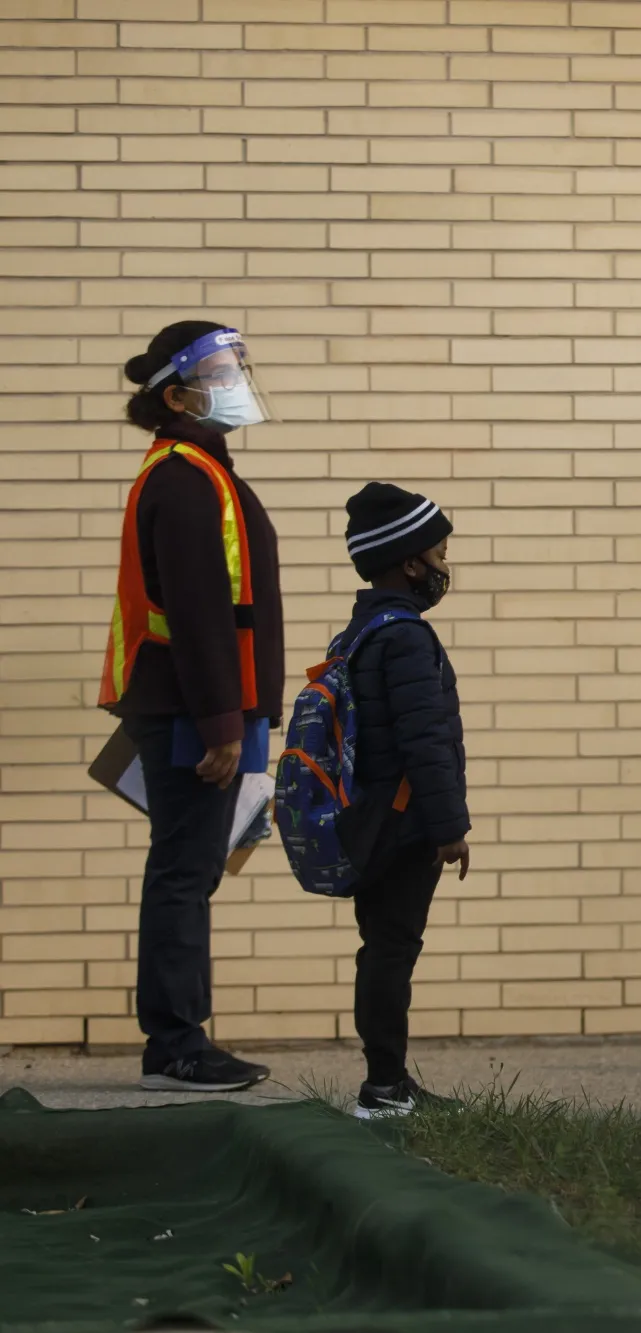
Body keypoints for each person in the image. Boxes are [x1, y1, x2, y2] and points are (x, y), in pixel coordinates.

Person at [104, 321, 285, 1093]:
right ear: (176, 395)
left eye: (238, 365)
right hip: (192, 712)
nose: (236, 378)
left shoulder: (200, 469)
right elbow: (200, 608)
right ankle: (176, 1043)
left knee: (193, 866)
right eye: (219, 370)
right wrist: (221, 723)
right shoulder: (184, 478)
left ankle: (177, 1038)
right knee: (184, 870)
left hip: (204, 707)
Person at [338, 482, 470, 1119]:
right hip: (405, 824)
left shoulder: (360, 632)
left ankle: (388, 1081)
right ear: (411, 561)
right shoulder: (407, 638)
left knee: (382, 947)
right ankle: (384, 1088)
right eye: (441, 554)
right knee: (392, 950)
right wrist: (449, 829)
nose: (445, 568)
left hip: (369, 819)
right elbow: (426, 743)